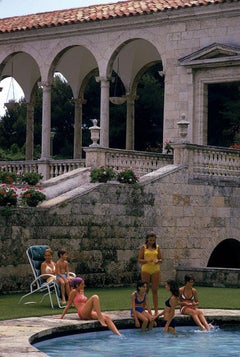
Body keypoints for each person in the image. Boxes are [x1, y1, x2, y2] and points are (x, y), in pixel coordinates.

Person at [138, 231, 162, 315]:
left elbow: (160, 259)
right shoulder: (143, 247)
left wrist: (157, 260)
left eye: (153, 240)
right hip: (146, 269)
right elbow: (139, 259)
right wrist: (146, 260)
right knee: (145, 290)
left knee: (155, 290)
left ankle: (156, 310)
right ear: (147, 239)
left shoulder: (157, 247)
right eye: (150, 240)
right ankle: (143, 308)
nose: (152, 241)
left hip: (155, 269)